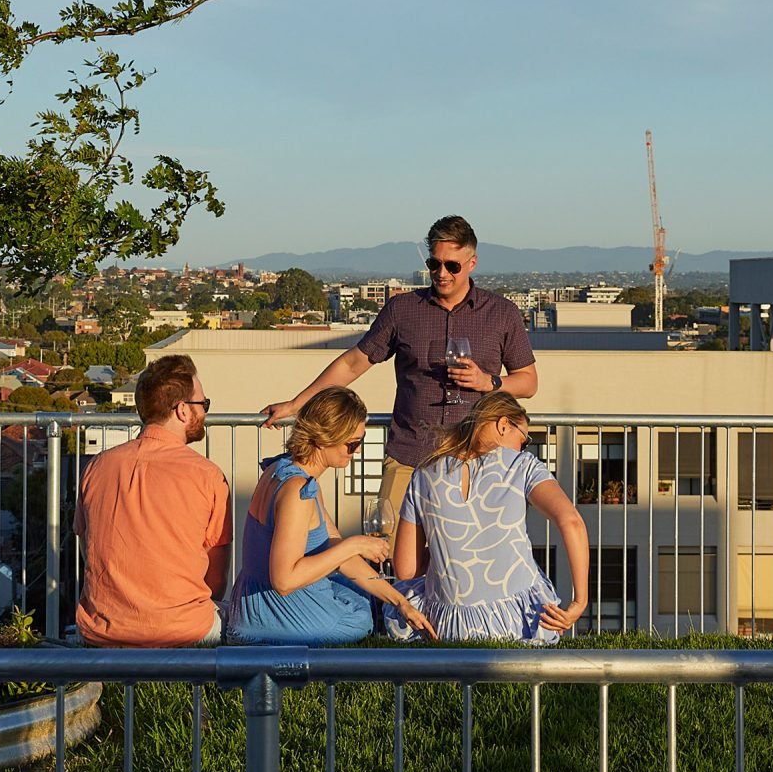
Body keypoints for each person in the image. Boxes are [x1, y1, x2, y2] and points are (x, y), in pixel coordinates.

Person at [261, 214, 538, 536]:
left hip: (475, 461)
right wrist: (296, 405)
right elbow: (353, 363)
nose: (441, 273)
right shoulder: (403, 310)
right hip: (410, 456)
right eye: (435, 264)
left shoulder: (501, 313)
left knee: (464, 564)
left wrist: (489, 382)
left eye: (452, 266)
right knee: (389, 555)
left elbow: (528, 382)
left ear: (472, 262)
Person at [227, 391, 436, 644]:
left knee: (361, 588)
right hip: (276, 621)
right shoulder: (298, 492)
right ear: (325, 438)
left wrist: (400, 602)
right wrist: (355, 544)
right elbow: (284, 580)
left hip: (249, 611)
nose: (356, 452)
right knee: (359, 615)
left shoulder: (283, 470)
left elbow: (336, 550)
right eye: (352, 444)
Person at [389, 392, 590, 643]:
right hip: (515, 621)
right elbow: (571, 522)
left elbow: (406, 569)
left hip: (448, 626)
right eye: (524, 439)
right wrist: (580, 600)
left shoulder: (424, 473)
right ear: (503, 424)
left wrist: (449, 549)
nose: (523, 447)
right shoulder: (522, 465)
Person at [73, 354, 230, 646]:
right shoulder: (208, 476)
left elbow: (88, 549)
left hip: (103, 629)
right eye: (203, 405)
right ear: (183, 410)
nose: (205, 412)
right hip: (184, 630)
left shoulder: (96, 466)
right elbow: (216, 581)